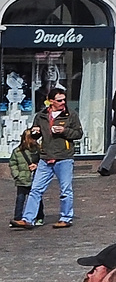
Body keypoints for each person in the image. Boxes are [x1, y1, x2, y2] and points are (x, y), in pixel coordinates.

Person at [18, 84, 76, 228]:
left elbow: (78, 133)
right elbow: (34, 135)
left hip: (64, 157)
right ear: (51, 101)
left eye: (64, 100)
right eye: (59, 100)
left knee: (65, 190)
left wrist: (64, 131)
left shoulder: (70, 115)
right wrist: (35, 132)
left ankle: (66, 218)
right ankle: (28, 219)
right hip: (45, 157)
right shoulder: (41, 116)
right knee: (36, 189)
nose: (63, 103)